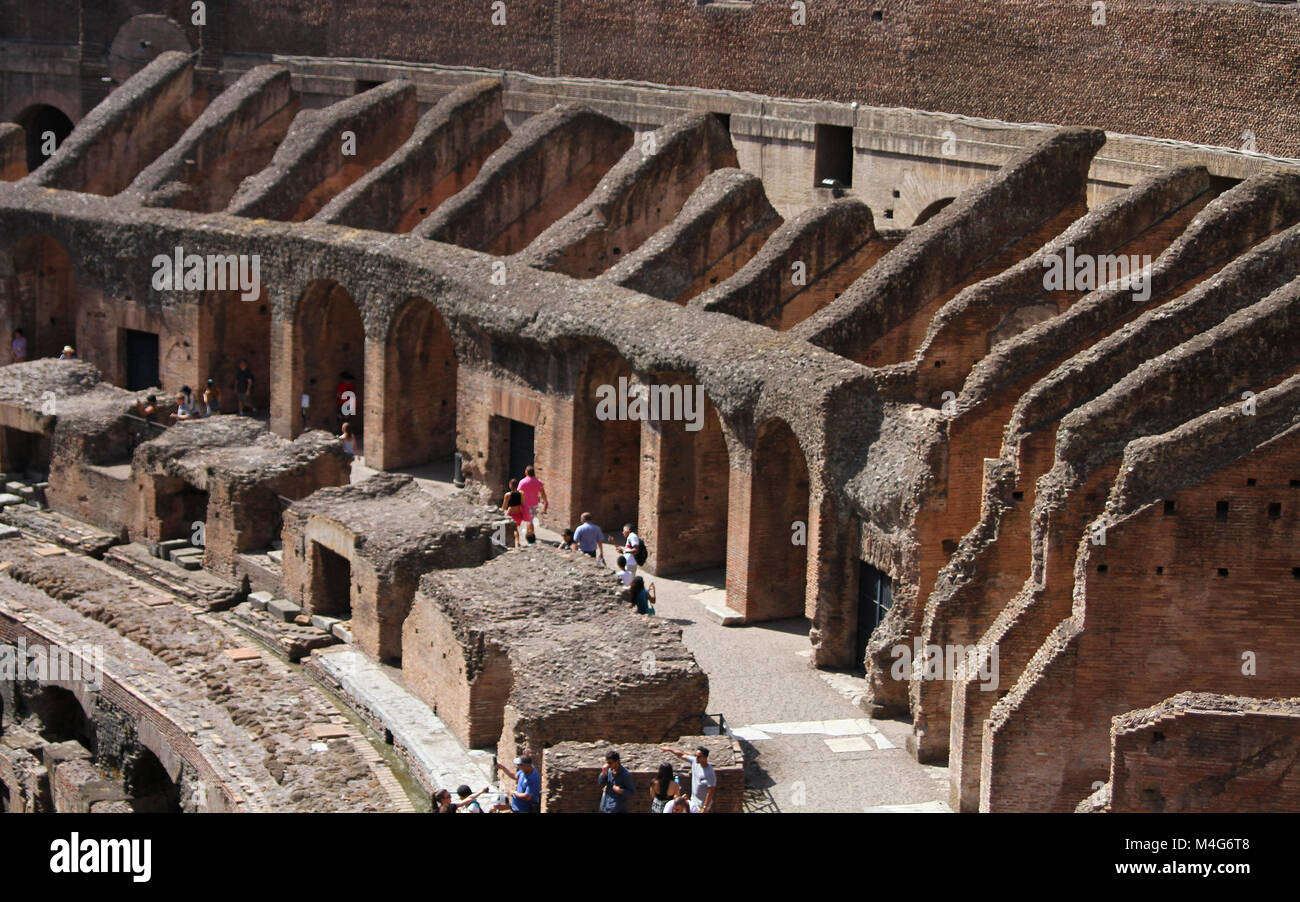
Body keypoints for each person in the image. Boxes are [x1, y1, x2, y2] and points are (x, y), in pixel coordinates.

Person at [660, 745, 716, 812]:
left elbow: (711, 790)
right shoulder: (695, 762)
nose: (696, 758)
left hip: (702, 805)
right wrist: (669, 749)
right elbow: (682, 755)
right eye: (696, 756)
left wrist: (705, 807)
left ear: (704, 758)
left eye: (698, 757)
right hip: (694, 802)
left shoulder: (710, 772)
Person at [517, 465, 548, 543]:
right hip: (534, 504)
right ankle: (529, 533)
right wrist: (545, 501)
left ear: (526, 472)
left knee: (530, 520)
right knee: (530, 519)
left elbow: (518, 493)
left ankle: (532, 537)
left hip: (526, 504)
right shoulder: (538, 481)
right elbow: (542, 492)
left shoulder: (523, 482)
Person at [598, 749, 636, 813]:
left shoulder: (625, 774)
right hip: (606, 807)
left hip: (618, 809)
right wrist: (603, 773)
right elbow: (601, 783)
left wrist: (621, 791)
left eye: (610, 763)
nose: (608, 765)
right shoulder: (609, 771)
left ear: (617, 762)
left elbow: (632, 792)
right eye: (607, 762)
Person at [501, 478, 528, 548]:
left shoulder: (508, 495)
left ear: (510, 485)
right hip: (519, 514)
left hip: (511, 514)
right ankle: (517, 542)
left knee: (510, 529)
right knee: (515, 529)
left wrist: (502, 512)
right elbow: (523, 503)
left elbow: (504, 506)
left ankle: (509, 544)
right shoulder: (521, 494)